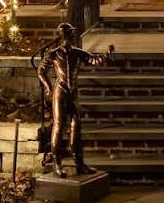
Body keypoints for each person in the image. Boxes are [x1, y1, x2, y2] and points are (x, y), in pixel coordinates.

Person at [34, 22, 112, 177]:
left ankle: (80, 163)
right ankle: (57, 163)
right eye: (69, 33)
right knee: (59, 126)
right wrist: (49, 87)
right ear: (64, 35)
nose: (72, 36)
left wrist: (107, 55)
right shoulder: (53, 54)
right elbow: (41, 71)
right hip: (60, 94)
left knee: (76, 128)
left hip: (73, 94)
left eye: (71, 33)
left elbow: (93, 60)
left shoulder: (77, 53)